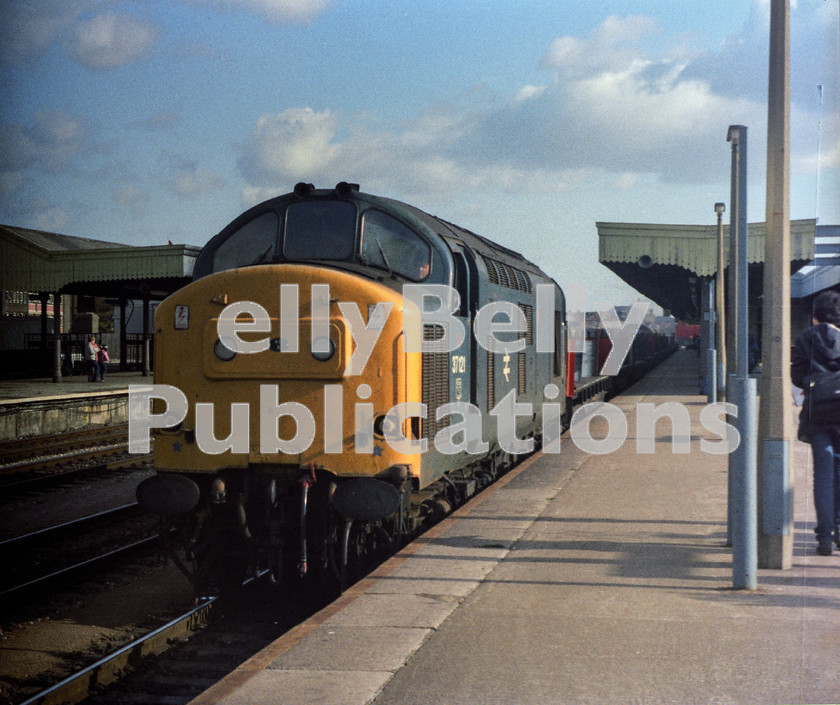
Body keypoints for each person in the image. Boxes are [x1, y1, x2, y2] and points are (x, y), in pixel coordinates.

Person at [791, 290, 840, 556]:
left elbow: (797, 377)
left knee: (823, 475)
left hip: (818, 414)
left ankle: (824, 537)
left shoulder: (804, 339)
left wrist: (814, 380)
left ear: (815, 316)